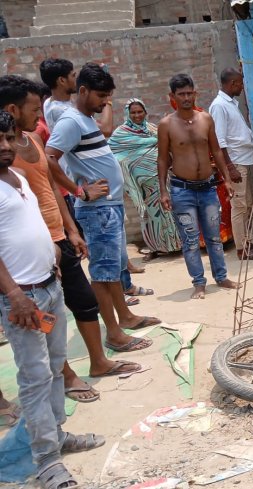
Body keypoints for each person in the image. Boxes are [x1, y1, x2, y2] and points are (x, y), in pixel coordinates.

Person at [0, 75, 147, 405]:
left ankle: (98, 361)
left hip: (57, 240)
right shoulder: (6, 156)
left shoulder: (33, 141)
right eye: (34, 110)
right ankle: (64, 376)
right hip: (27, 258)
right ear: (12, 108)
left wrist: (71, 229)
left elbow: (51, 188)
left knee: (82, 303)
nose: (41, 117)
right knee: (39, 325)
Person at [0, 110, 105, 489]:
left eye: (8, 139)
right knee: (35, 377)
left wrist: (53, 253)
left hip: (48, 285)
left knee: (57, 364)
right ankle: (46, 461)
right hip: (22, 299)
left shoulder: (18, 176)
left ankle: (56, 435)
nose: (6, 147)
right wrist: (13, 294)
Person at [44, 63, 162, 337]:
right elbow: (49, 158)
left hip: (110, 206)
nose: (105, 102)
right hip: (97, 209)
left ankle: (126, 317)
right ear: (83, 91)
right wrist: (79, 191)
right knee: (103, 273)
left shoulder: (85, 120)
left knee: (114, 268)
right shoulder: (70, 121)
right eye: (101, 96)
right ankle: (114, 333)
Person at [158, 74, 239, 299]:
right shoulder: (166, 125)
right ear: (172, 96)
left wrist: (227, 179)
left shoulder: (206, 119)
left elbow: (216, 151)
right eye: (181, 94)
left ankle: (221, 277)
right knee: (190, 240)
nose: (186, 98)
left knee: (214, 236)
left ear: (195, 93)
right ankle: (199, 283)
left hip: (207, 187)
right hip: (181, 190)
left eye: (189, 93)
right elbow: (163, 159)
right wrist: (163, 191)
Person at [108, 98, 182, 261]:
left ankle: (177, 245)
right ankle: (155, 248)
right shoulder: (121, 133)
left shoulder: (152, 129)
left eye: (140, 111)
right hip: (142, 185)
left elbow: (165, 146)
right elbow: (112, 152)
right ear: (128, 114)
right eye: (133, 112)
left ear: (145, 112)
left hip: (161, 180)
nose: (137, 115)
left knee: (170, 212)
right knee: (150, 216)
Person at [209, 68, 253, 260]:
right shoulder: (219, 105)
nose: (242, 87)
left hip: (243, 159)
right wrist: (229, 168)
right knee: (239, 206)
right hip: (235, 162)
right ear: (232, 83)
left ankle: (246, 242)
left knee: (246, 204)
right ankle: (242, 249)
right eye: (240, 83)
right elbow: (219, 141)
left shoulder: (230, 104)